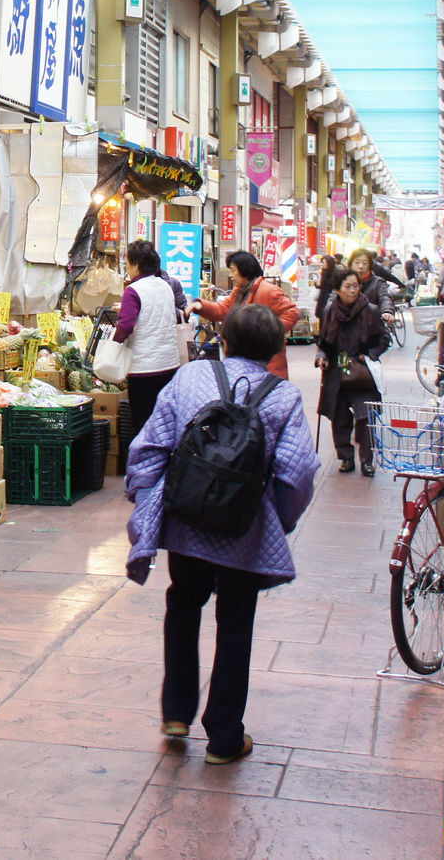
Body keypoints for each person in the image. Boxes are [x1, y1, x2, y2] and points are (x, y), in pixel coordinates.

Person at [125, 304, 319, 766]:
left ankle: (176, 714)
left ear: (224, 341)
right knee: (235, 623)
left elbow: (149, 444)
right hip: (244, 529)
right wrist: (279, 520)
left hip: (187, 520)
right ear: (275, 350)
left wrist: (146, 498)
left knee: (183, 603)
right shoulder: (283, 397)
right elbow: (297, 474)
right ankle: (224, 738)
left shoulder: (190, 378)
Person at [318, 272, 390, 474]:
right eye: (347, 286)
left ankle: (367, 461)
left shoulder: (371, 310)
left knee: (365, 418)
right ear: (337, 289)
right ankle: (346, 457)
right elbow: (323, 341)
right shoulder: (330, 311)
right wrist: (322, 355)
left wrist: (370, 355)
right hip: (336, 372)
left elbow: (384, 339)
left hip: (362, 374)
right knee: (339, 418)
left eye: (356, 286)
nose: (352, 290)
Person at [190, 251, 298, 378]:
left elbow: (292, 313)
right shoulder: (239, 292)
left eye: (233, 271)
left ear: (245, 270)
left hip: (266, 361)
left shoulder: (268, 291)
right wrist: (201, 306)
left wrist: (267, 332)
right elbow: (223, 310)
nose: (231, 276)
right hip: (243, 359)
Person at [112, 240, 183, 428]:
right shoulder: (165, 286)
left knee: (143, 424)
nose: (126, 268)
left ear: (136, 265)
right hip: (169, 364)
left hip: (144, 369)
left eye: (127, 263)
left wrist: (113, 344)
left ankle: (145, 457)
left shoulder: (133, 290)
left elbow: (126, 326)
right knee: (164, 422)